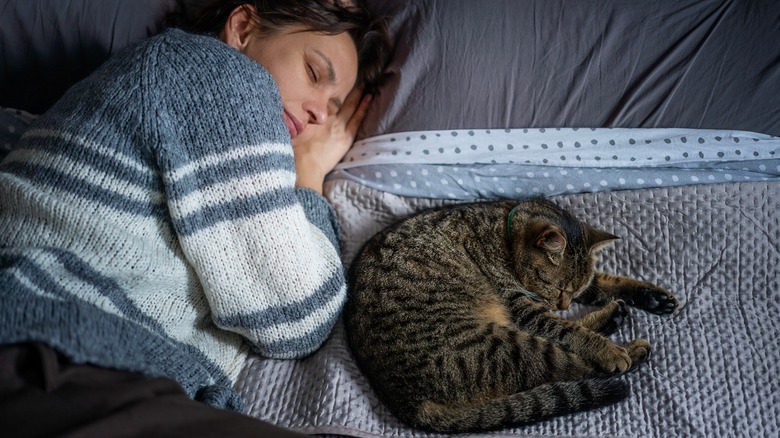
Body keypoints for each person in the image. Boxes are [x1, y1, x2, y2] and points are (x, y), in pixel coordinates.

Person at [0, 0, 390, 436]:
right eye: (315, 73)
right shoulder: (212, 73)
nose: (319, 112)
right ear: (242, 28)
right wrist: (311, 175)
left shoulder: (162, 88)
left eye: (334, 106)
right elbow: (297, 314)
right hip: (54, 354)